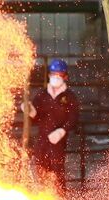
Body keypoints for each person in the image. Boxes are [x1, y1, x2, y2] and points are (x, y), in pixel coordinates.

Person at [21, 59, 80, 191]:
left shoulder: (69, 97)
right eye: (54, 74)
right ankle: (43, 198)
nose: (56, 77)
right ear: (49, 75)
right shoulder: (42, 95)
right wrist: (30, 110)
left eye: (59, 74)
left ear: (65, 76)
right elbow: (36, 117)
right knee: (41, 170)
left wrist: (62, 131)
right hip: (42, 140)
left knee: (57, 172)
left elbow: (73, 117)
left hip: (58, 142)